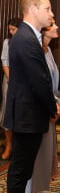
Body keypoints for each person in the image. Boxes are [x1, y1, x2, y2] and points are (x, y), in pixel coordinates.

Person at [3, 0, 60, 193]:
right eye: (48, 9)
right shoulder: (27, 39)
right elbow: (39, 81)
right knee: (20, 171)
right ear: (33, 10)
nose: (52, 14)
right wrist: (52, 109)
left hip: (27, 114)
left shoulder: (28, 36)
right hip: (27, 116)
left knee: (23, 169)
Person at [24, 18, 60, 193]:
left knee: (43, 157)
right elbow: (36, 86)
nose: (56, 27)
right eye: (52, 24)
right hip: (39, 113)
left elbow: (52, 86)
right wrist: (51, 107)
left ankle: (34, 192)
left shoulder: (48, 51)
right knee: (34, 157)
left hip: (49, 111)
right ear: (43, 30)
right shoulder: (36, 51)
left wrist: (58, 103)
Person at [0, 18, 23, 160]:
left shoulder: (28, 42)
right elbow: (5, 61)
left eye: (13, 29)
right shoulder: (7, 42)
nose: (11, 32)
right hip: (9, 81)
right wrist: (11, 77)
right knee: (7, 111)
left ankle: (19, 147)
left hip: (24, 83)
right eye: (10, 29)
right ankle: (9, 145)